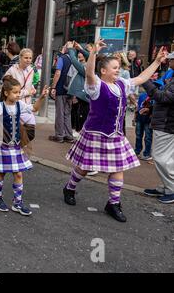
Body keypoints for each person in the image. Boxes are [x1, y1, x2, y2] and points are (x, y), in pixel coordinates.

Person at [62, 39, 168, 222]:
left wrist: (157, 62)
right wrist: (93, 53)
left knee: (118, 169)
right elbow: (88, 73)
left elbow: (142, 78)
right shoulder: (95, 86)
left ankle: (113, 203)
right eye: (114, 67)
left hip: (116, 135)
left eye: (119, 67)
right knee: (84, 167)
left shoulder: (122, 84)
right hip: (95, 134)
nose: (118, 70)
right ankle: (69, 188)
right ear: (103, 71)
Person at [0, 76, 48, 216]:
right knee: (1, 173)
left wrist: (42, 97)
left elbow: (34, 108)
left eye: (19, 92)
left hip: (15, 146)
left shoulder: (19, 105)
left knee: (18, 173)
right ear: (6, 93)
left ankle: (17, 203)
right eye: (15, 92)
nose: (18, 95)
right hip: (1, 145)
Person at [142, 56, 174, 204]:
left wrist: (146, 81)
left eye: (172, 59)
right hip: (165, 122)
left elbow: (163, 97)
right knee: (165, 158)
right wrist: (150, 109)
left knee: (161, 158)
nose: (169, 61)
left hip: (167, 124)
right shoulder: (171, 76)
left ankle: (171, 189)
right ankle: (165, 187)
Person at [49, 43, 74, 143]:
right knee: (67, 113)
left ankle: (59, 135)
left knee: (59, 112)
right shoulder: (74, 59)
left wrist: (53, 87)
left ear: (65, 48)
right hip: (71, 90)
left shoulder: (61, 58)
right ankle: (68, 135)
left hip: (61, 88)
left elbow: (58, 73)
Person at [133, 89, 154, 161]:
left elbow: (155, 108)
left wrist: (148, 110)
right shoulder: (142, 95)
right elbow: (137, 107)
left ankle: (147, 154)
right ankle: (137, 151)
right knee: (138, 136)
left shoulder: (154, 96)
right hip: (139, 119)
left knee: (148, 137)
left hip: (148, 120)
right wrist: (134, 118)